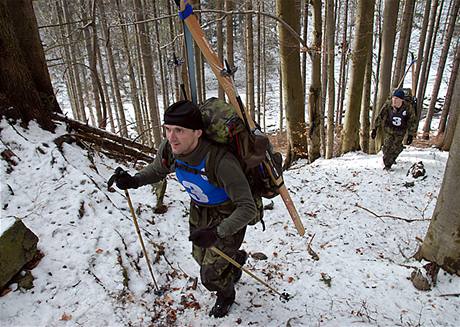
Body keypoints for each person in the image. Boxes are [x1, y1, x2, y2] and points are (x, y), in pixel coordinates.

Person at [113, 100, 256, 318]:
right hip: (199, 209)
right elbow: (157, 169)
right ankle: (233, 261)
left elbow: (248, 208)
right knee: (200, 256)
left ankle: (226, 295)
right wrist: (134, 180)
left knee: (209, 276)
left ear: (198, 132)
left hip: (227, 213)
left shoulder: (221, 162)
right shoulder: (171, 150)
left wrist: (218, 232)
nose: (171, 137)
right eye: (168, 129)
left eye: (179, 130)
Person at [371, 89, 417, 170]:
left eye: (397, 99)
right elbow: (380, 116)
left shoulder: (408, 108)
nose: (394, 101)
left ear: (402, 100)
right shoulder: (388, 105)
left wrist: (410, 134)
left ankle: (388, 164)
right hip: (389, 129)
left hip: (400, 131)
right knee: (386, 147)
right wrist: (375, 129)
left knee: (395, 148)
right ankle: (388, 160)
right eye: (393, 98)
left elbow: (412, 121)